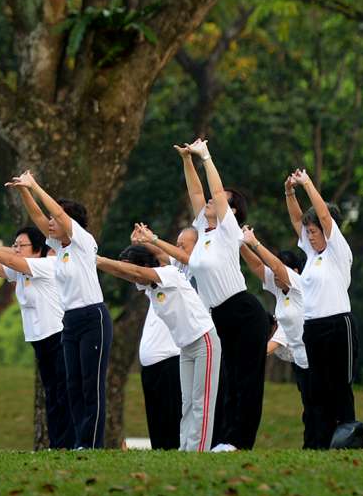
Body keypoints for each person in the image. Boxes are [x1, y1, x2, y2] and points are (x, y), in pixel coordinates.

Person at [172, 139, 269, 451]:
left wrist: (206, 156)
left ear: (233, 210)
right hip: (219, 314)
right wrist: (187, 160)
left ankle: (240, 441)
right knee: (225, 378)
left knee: (246, 379)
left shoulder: (229, 230)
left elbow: (212, 190)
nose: (211, 202)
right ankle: (223, 439)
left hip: (243, 311)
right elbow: (197, 193)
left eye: (220, 200)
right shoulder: (204, 231)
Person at [8, 171, 111, 450]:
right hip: (70, 321)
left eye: (56, 219)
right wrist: (24, 191)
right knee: (73, 384)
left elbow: (56, 214)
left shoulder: (83, 242)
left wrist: (35, 185)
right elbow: (38, 217)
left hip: (93, 317)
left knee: (91, 384)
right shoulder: (58, 246)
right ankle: (78, 443)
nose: (50, 223)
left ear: (70, 222)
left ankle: (92, 444)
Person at [100, 232, 221, 452]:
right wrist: (97, 263)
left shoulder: (170, 274)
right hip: (186, 346)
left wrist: (97, 259)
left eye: (135, 271)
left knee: (201, 402)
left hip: (204, 340)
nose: (134, 279)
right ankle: (185, 449)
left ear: (147, 267)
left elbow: (136, 271)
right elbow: (125, 272)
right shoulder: (149, 288)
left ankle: (198, 453)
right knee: (186, 403)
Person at [0, 226, 72, 449]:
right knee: (51, 393)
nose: (16, 249)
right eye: (15, 245)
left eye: (21, 245)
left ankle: (69, 443)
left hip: (58, 336)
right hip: (40, 340)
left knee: (63, 393)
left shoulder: (47, 265)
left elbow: (9, 260)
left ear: (37, 248)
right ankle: (57, 444)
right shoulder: (20, 271)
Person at [285, 168, 357, 449]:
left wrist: (307, 183)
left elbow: (324, 217)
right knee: (319, 387)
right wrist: (290, 192)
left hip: (338, 325)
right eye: (308, 232)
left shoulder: (338, 251)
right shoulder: (311, 254)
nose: (310, 236)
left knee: (340, 385)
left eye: (314, 232)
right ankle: (322, 442)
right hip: (313, 327)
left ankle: (348, 439)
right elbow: (297, 219)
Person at [239, 228, 312, 447]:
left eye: (279, 270)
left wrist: (254, 242)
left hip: (316, 357)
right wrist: (239, 243)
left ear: (295, 271)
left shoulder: (300, 284)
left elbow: (277, 267)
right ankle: (313, 446)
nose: (275, 275)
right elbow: (257, 266)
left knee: (318, 406)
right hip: (300, 360)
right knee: (309, 407)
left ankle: (323, 445)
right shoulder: (280, 287)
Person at [136, 290, 182, 450]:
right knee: (156, 428)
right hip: (150, 366)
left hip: (169, 362)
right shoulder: (153, 289)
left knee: (171, 428)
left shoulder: (175, 281)